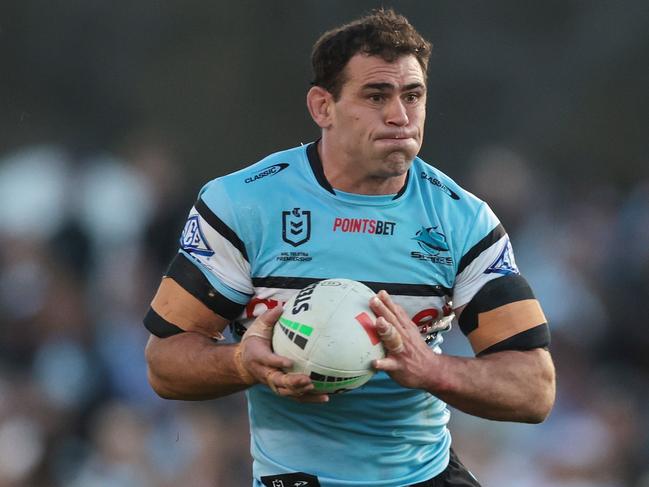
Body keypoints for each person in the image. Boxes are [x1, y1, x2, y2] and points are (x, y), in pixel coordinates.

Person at [143, 9, 556, 487]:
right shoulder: (242, 205)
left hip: (426, 476)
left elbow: (535, 388)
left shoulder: (463, 220)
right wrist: (243, 363)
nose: (399, 116)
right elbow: (164, 363)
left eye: (413, 95)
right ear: (323, 107)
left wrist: (431, 370)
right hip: (301, 478)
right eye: (376, 96)